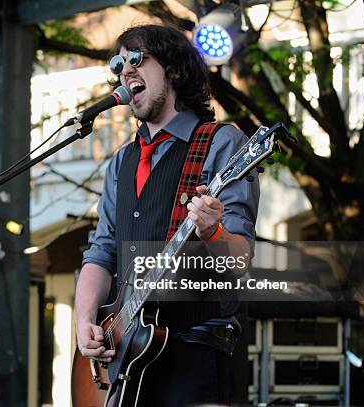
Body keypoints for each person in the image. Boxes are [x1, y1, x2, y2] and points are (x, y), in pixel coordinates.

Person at [75, 24, 260, 406]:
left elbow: (238, 260)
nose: (125, 71)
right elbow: (101, 251)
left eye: (138, 59)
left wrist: (212, 232)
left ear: (173, 69)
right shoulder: (122, 161)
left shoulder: (222, 142)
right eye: (119, 64)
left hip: (195, 352)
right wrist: (84, 322)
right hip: (129, 357)